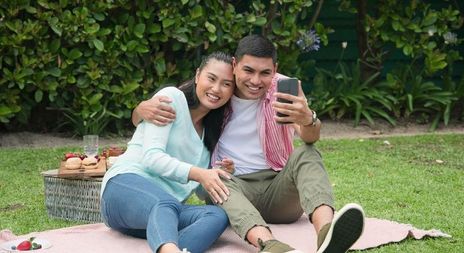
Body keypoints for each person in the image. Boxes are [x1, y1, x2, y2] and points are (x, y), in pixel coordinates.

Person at [132, 35, 365, 253]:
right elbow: (179, 106)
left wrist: (309, 119)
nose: (255, 81)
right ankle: (270, 245)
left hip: (279, 189)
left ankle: (327, 234)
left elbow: (309, 136)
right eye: (248, 70)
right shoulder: (218, 92)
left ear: (275, 69)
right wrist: (139, 110)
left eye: (265, 73)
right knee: (218, 180)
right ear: (234, 65)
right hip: (235, 190)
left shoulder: (283, 89)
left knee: (307, 152)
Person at [101, 51, 236, 253]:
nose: (216, 89)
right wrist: (200, 173)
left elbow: (198, 191)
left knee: (217, 216)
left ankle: (170, 247)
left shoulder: (211, 133)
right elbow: (151, 159)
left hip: (162, 214)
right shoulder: (171, 99)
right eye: (211, 78)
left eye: (226, 84)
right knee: (164, 202)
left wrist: (216, 174)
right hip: (123, 188)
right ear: (198, 75)